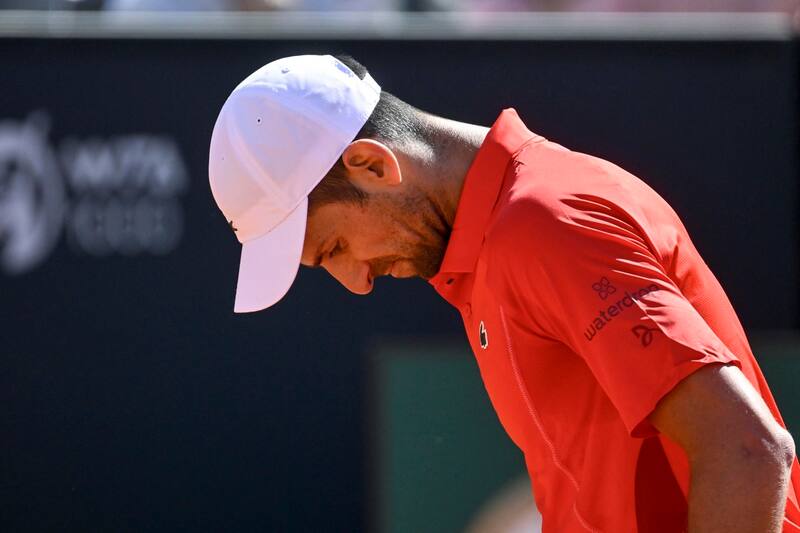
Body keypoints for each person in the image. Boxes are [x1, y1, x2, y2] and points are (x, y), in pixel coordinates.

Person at [208, 54, 799, 532]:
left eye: (335, 247)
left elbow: (746, 448)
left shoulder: (543, 223)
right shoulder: (494, 242)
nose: (357, 282)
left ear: (372, 165)